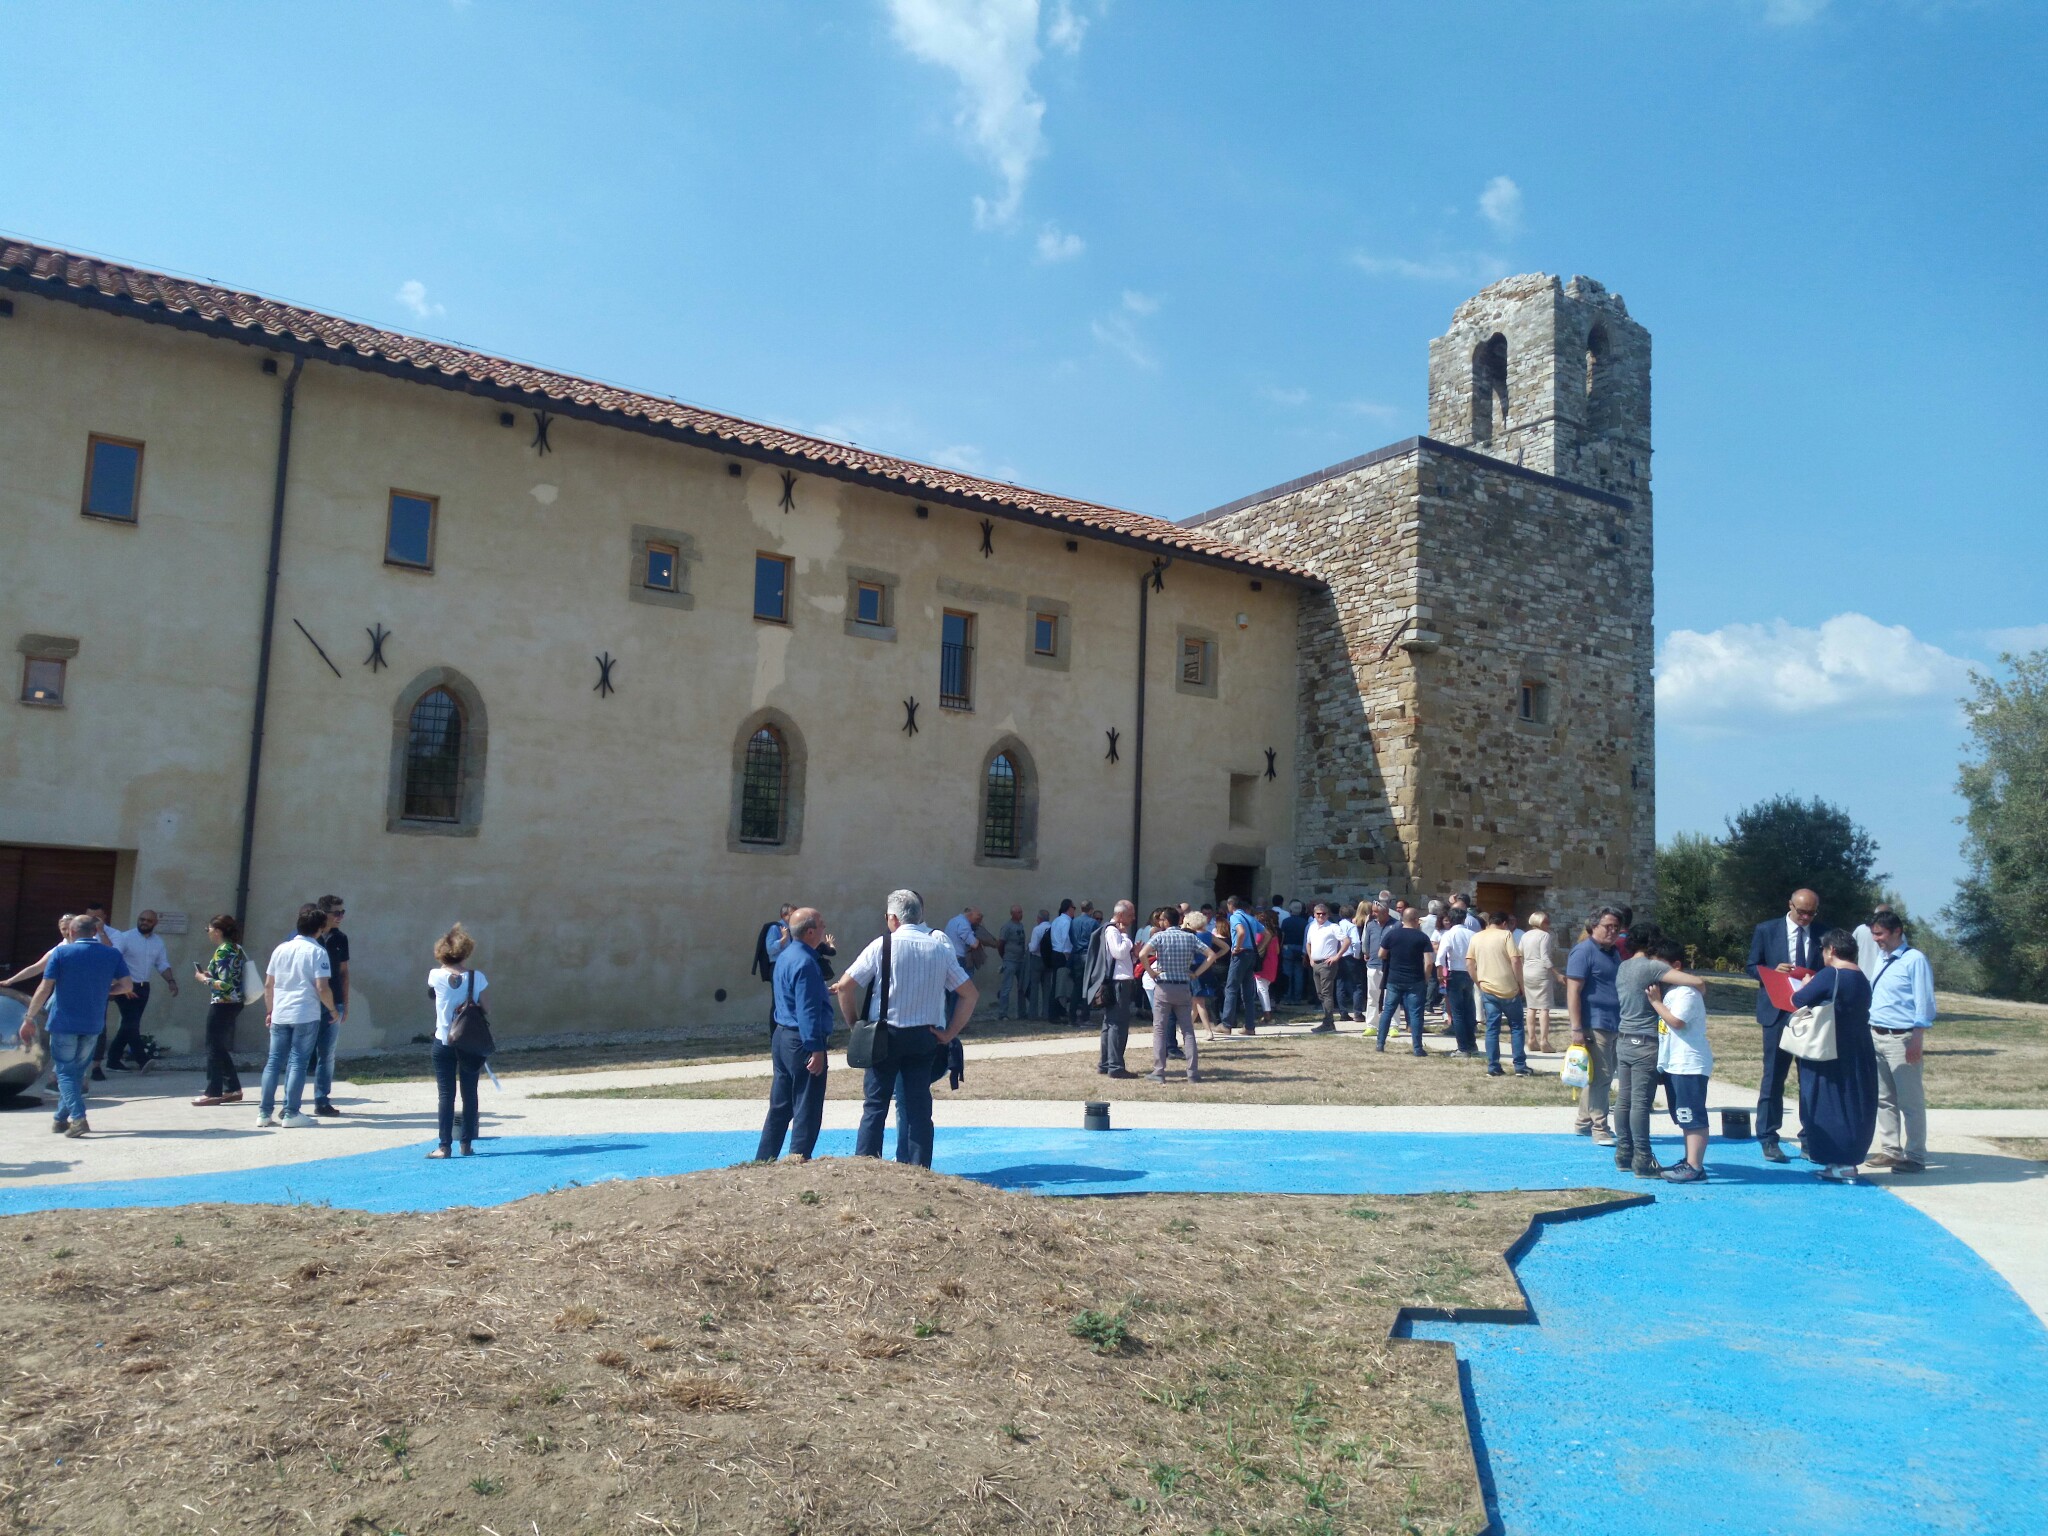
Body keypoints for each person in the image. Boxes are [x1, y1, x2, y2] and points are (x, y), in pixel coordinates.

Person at [833, 889, 976, 1168]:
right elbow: (969, 994)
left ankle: (866, 1165)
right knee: (919, 1108)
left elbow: (845, 987)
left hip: (885, 1034)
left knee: (875, 1105)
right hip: (924, 1035)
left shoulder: (882, 945)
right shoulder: (938, 947)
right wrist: (949, 1034)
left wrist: (855, 1026)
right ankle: (919, 1168)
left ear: (893, 918)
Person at [17, 915, 133, 1137]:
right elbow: (127, 985)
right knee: (76, 1072)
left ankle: (78, 1118)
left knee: (65, 1073)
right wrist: (105, 991)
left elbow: (44, 988)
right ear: (95, 932)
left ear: (71, 932)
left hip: (64, 1022)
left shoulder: (61, 953)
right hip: (93, 1023)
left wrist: (29, 1018)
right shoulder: (112, 954)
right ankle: (60, 1118)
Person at [1611, 924, 1711, 1177]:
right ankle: (1642, 1157)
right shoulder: (1652, 966)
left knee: (1624, 1099)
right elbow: (1697, 981)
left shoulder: (1623, 966)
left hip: (1623, 1037)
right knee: (1640, 1103)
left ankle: (1624, 1152)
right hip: (1645, 1040)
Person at [1791, 929, 1880, 1183]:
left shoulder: (1831, 974)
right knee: (1853, 1102)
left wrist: (1807, 984)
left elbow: (1798, 999)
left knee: (1827, 1103)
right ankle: (1848, 1161)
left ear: (1831, 950)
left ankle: (1835, 1159)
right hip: (1858, 1048)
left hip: (1828, 1048)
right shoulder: (1860, 976)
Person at [1745, 887, 1823, 1163]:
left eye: (1811, 913)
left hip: (1808, 1014)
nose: (1805, 918)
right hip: (1776, 1012)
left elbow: (1827, 969)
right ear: (1790, 905)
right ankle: (1768, 1138)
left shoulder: (1821, 933)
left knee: (1810, 1080)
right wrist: (1770, 972)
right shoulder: (1767, 930)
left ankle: (1810, 1138)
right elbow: (1751, 965)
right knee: (1773, 1078)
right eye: (1801, 912)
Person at [757, 906, 835, 1162]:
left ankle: (763, 1160)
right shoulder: (805, 962)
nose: (825, 929)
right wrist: (816, 1048)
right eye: (822, 925)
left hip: (781, 1036)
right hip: (801, 1040)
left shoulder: (787, 956)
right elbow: (807, 1010)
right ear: (811, 931)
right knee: (807, 1105)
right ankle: (798, 1159)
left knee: (780, 1106)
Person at [1863, 911, 1936, 1174]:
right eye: (1874, 934)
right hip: (1877, 1035)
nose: (1876, 940)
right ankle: (1890, 1150)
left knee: (1910, 1101)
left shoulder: (1914, 960)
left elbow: (1924, 1002)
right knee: (1884, 1098)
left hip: (1902, 1037)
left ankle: (1915, 1155)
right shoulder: (1882, 959)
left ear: (1897, 931)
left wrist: (1917, 1038)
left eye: (1880, 934)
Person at [1644, 937, 1714, 1183]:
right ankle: (1689, 1160)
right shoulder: (1672, 992)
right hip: (1674, 1063)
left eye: (1660, 968)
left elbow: (1677, 1022)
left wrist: (1655, 1003)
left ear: (1676, 966)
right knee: (1682, 1115)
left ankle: (1695, 1166)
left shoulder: (1686, 992)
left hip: (1689, 1064)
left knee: (1691, 1115)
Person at [260, 903, 336, 1129]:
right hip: (305, 1012)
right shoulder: (318, 952)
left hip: (280, 1011)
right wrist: (332, 1009)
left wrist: (270, 1010)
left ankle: (264, 1113)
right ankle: (291, 1112)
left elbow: (268, 985)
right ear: (320, 929)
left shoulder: (280, 949)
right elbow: (322, 987)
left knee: (273, 1062)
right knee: (297, 1063)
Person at [425, 922, 487, 1157]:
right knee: (469, 1092)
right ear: (466, 952)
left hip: (443, 1040)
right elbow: (486, 1008)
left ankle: (444, 1145)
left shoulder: (435, 975)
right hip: (468, 1041)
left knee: (445, 1094)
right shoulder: (477, 977)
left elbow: (433, 992)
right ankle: (466, 1143)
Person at [1567, 907, 1626, 1145]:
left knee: (1599, 1076)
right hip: (1595, 1022)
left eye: (1616, 927)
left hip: (1613, 1021)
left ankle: (1583, 1122)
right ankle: (1600, 1128)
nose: (1613, 931)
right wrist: (1577, 1028)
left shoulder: (1613, 953)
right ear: (1593, 926)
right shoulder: (1583, 952)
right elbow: (1573, 992)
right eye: (1608, 926)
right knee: (1602, 1077)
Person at [1141, 912, 1214, 1082]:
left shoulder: (1160, 936)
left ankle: (1159, 1071)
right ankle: (1193, 1073)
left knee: (1160, 1029)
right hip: (1183, 985)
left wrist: (1151, 972)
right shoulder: (1189, 938)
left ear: (1166, 921)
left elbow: (1143, 954)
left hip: (1164, 985)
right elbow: (1211, 955)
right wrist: (1196, 973)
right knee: (1188, 1031)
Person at [104, 908, 178, 1071]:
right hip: (127, 987)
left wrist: (171, 981)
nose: (144, 923)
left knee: (128, 1024)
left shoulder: (157, 942)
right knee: (131, 1024)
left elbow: (162, 964)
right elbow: (114, 960)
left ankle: (113, 1060)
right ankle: (142, 1059)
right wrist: (119, 985)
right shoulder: (125, 938)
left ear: (155, 923)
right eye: (141, 919)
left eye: (148, 921)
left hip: (144, 987)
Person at [191, 913, 250, 1106]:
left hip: (223, 1002)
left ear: (217, 931)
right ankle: (232, 1087)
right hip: (235, 1002)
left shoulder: (223, 950)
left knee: (213, 1047)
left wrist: (204, 979)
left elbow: (225, 985)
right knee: (219, 1046)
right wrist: (211, 974)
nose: (207, 933)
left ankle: (213, 1091)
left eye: (208, 929)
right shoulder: (236, 949)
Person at [1469, 911, 1532, 1077]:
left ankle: (1493, 1065)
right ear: (1504, 923)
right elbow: (1516, 960)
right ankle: (1519, 1065)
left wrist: (1478, 982)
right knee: (1517, 1027)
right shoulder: (1506, 935)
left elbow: (1469, 963)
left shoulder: (1477, 937)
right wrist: (1521, 984)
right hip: (1509, 988)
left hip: (1488, 988)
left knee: (1492, 1028)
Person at [1084, 900, 1140, 1077]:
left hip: (1118, 980)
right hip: (1118, 984)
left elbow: (1121, 961)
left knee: (1109, 1024)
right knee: (1117, 1025)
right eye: (1131, 915)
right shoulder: (1113, 931)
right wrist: (1126, 938)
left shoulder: (1113, 931)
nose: (1133, 918)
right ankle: (1115, 1066)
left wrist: (1135, 956)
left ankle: (1106, 1064)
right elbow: (1118, 952)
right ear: (1121, 915)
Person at [1376, 907, 1434, 1055]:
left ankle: (1380, 1044)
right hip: (1415, 980)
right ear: (1415, 920)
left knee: (1388, 1011)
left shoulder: (1392, 934)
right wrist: (1426, 978)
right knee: (1415, 1014)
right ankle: (1417, 1048)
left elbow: (1381, 954)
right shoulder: (1422, 937)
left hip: (1394, 979)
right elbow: (1428, 962)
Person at [312, 894, 349, 1117]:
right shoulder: (308, 937)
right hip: (309, 1002)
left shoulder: (340, 938)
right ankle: (290, 1104)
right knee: (301, 1053)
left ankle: (322, 1100)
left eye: (343, 912)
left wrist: (345, 1003)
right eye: (336, 912)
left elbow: (344, 972)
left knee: (327, 1054)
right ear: (323, 913)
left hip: (333, 1002)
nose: (340, 917)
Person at [1218, 896, 1265, 1035]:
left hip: (1240, 955)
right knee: (1248, 992)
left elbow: (1241, 932)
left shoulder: (1234, 917)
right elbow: (1267, 934)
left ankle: (1226, 1024)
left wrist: (1237, 947)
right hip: (1251, 954)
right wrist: (1259, 948)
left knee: (1231, 988)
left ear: (1230, 905)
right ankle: (1249, 1026)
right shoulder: (1251, 918)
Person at [1436, 909, 1479, 1056]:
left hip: (1455, 972)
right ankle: (1472, 1043)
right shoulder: (1472, 934)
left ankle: (1463, 1047)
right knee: (1469, 1010)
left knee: (1457, 1012)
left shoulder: (1449, 934)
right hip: (1470, 973)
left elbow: (1440, 956)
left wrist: (1440, 973)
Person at [1519, 912, 1561, 1053]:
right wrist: (1556, 974)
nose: (1548, 924)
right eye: (1546, 921)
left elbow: (1520, 954)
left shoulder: (1525, 935)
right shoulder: (1545, 936)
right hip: (1541, 971)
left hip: (1527, 970)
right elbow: (1545, 957)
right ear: (1540, 922)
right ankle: (1544, 1040)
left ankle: (1531, 1039)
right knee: (1544, 1007)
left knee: (1531, 1007)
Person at [1303, 902, 1347, 1033]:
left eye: (1323, 914)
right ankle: (1327, 1020)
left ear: (1328, 915)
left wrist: (1337, 956)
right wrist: (1310, 958)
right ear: (1314, 915)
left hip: (1327, 964)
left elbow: (1346, 941)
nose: (1321, 916)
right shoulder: (1311, 926)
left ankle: (1328, 1022)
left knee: (1327, 993)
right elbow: (1308, 943)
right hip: (1315, 963)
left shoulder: (1333, 927)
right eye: (1318, 914)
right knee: (1320, 994)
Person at [944, 904, 985, 1027]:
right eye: (977, 916)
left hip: (949, 960)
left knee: (951, 993)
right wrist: (980, 938)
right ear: (970, 914)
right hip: (960, 961)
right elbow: (973, 943)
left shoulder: (953, 921)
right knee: (962, 993)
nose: (978, 920)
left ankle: (950, 1021)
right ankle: (957, 1024)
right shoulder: (964, 924)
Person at [752, 904, 794, 1024]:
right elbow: (770, 949)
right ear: (784, 915)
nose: (796, 916)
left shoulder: (794, 930)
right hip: (777, 967)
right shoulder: (775, 928)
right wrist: (784, 939)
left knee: (789, 999)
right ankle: (775, 1035)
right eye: (792, 913)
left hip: (790, 967)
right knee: (778, 1002)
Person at [1068, 902, 1101, 1029]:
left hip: (1076, 955)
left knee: (1077, 986)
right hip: (1088, 955)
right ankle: (1084, 1017)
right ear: (1091, 910)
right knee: (1088, 987)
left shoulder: (1073, 922)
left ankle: (1072, 1017)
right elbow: (1097, 940)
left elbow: (1071, 937)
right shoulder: (1093, 923)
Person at [996, 906, 1029, 1019]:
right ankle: (1002, 1013)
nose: (1021, 914)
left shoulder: (1020, 925)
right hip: (1010, 961)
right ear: (1012, 914)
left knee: (1022, 987)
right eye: (1018, 912)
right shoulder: (1007, 927)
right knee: (1006, 987)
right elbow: (1000, 944)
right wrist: (1004, 957)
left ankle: (1022, 1013)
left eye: (1021, 912)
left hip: (1020, 961)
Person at [1852, 904, 1897, 985]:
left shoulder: (1860, 929)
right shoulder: (1895, 933)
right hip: (1884, 978)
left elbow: (1848, 950)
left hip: (1862, 977)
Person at [1048, 899, 1076, 1023]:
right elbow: (1066, 939)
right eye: (1074, 908)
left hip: (1055, 952)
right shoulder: (1067, 922)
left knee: (1056, 984)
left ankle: (1055, 1012)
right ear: (1069, 908)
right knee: (1061, 985)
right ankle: (1057, 1013)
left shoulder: (1056, 920)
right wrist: (1067, 955)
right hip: (1062, 954)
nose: (1074, 910)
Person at [1280, 900, 1309, 1004]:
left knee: (1287, 973)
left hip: (1288, 947)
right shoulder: (1305, 923)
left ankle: (1287, 995)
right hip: (1300, 948)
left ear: (1290, 909)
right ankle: (1297, 997)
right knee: (1299, 973)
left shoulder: (1286, 921)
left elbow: (1283, 936)